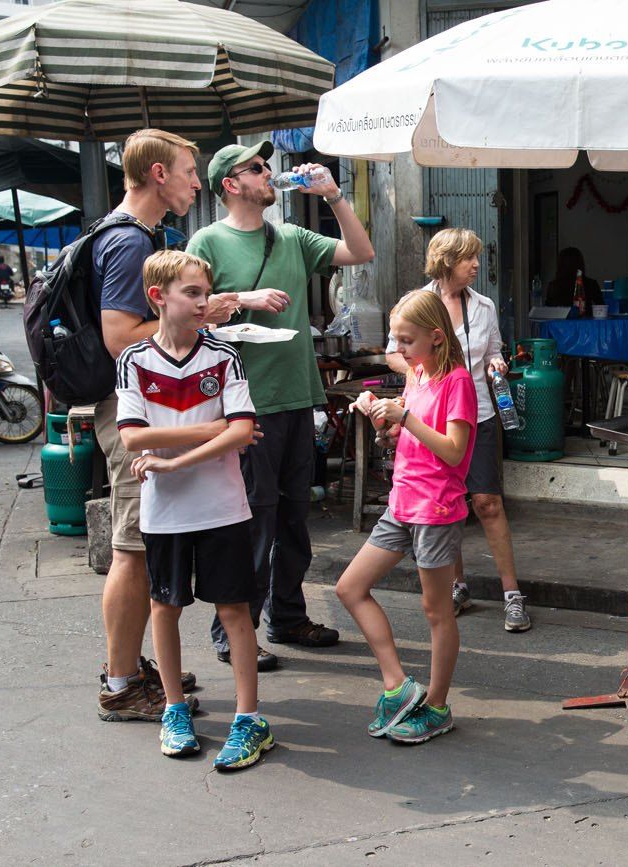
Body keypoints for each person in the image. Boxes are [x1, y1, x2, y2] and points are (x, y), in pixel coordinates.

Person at [191, 140, 374, 668]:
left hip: (298, 396)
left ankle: (288, 616)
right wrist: (241, 300)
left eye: (267, 166)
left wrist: (336, 196)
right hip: (244, 402)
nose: (269, 173)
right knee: (251, 519)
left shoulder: (289, 236)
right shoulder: (207, 241)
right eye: (256, 168)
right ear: (231, 184)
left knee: (295, 515)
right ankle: (234, 627)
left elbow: (360, 253)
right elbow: (185, 311)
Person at [95, 129, 248, 723]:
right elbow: (118, 339)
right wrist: (197, 320)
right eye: (188, 170)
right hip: (146, 411)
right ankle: (122, 681)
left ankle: (139, 670)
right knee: (135, 549)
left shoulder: (143, 239)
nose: (194, 181)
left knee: (143, 554)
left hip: (164, 412)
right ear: (159, 174)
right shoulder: (131, 243)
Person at [116, 249, 272, 771]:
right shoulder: (134, 361)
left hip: (224, 507)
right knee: (166, 606)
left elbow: (244, 431)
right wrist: (213, 431)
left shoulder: (224, 357)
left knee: (235, 611)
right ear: (158, 297)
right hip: (166, 515)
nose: (205, 302)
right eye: (193, 292)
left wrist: (170, 461)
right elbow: (133, 437)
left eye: (206, 292)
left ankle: (249, 718)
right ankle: (174, 710)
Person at [338, 290, 477, 744]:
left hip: (436, 509)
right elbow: (410, 441)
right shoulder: (418, 374)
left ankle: (437, 706)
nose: (398, 350)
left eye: (406, 341)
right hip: (402, 503)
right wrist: (386, 429)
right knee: (350, 588)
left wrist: (406, 418)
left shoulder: (458, 381)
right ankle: (398, 687)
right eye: (395, 340)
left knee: (436, 610)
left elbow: (454, 453)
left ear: (436, 337)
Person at [385, 228, 531, 632]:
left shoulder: (482, 306)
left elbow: (494, 350)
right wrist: (425, 372)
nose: (476, 266)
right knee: (448, 504)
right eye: (469, 258)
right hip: (430, 415)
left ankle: (511, 594)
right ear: (448, 260)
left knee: (487, 502)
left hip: (477, 413)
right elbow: (394, 352)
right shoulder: (419, 304)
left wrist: (495, 365)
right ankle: (458, 584)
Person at [544, 246, 603, 313]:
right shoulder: (591, 284)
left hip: (560, 322)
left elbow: (548, 310)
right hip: (586, 322)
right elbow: (601, 308)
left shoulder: (554, 286)